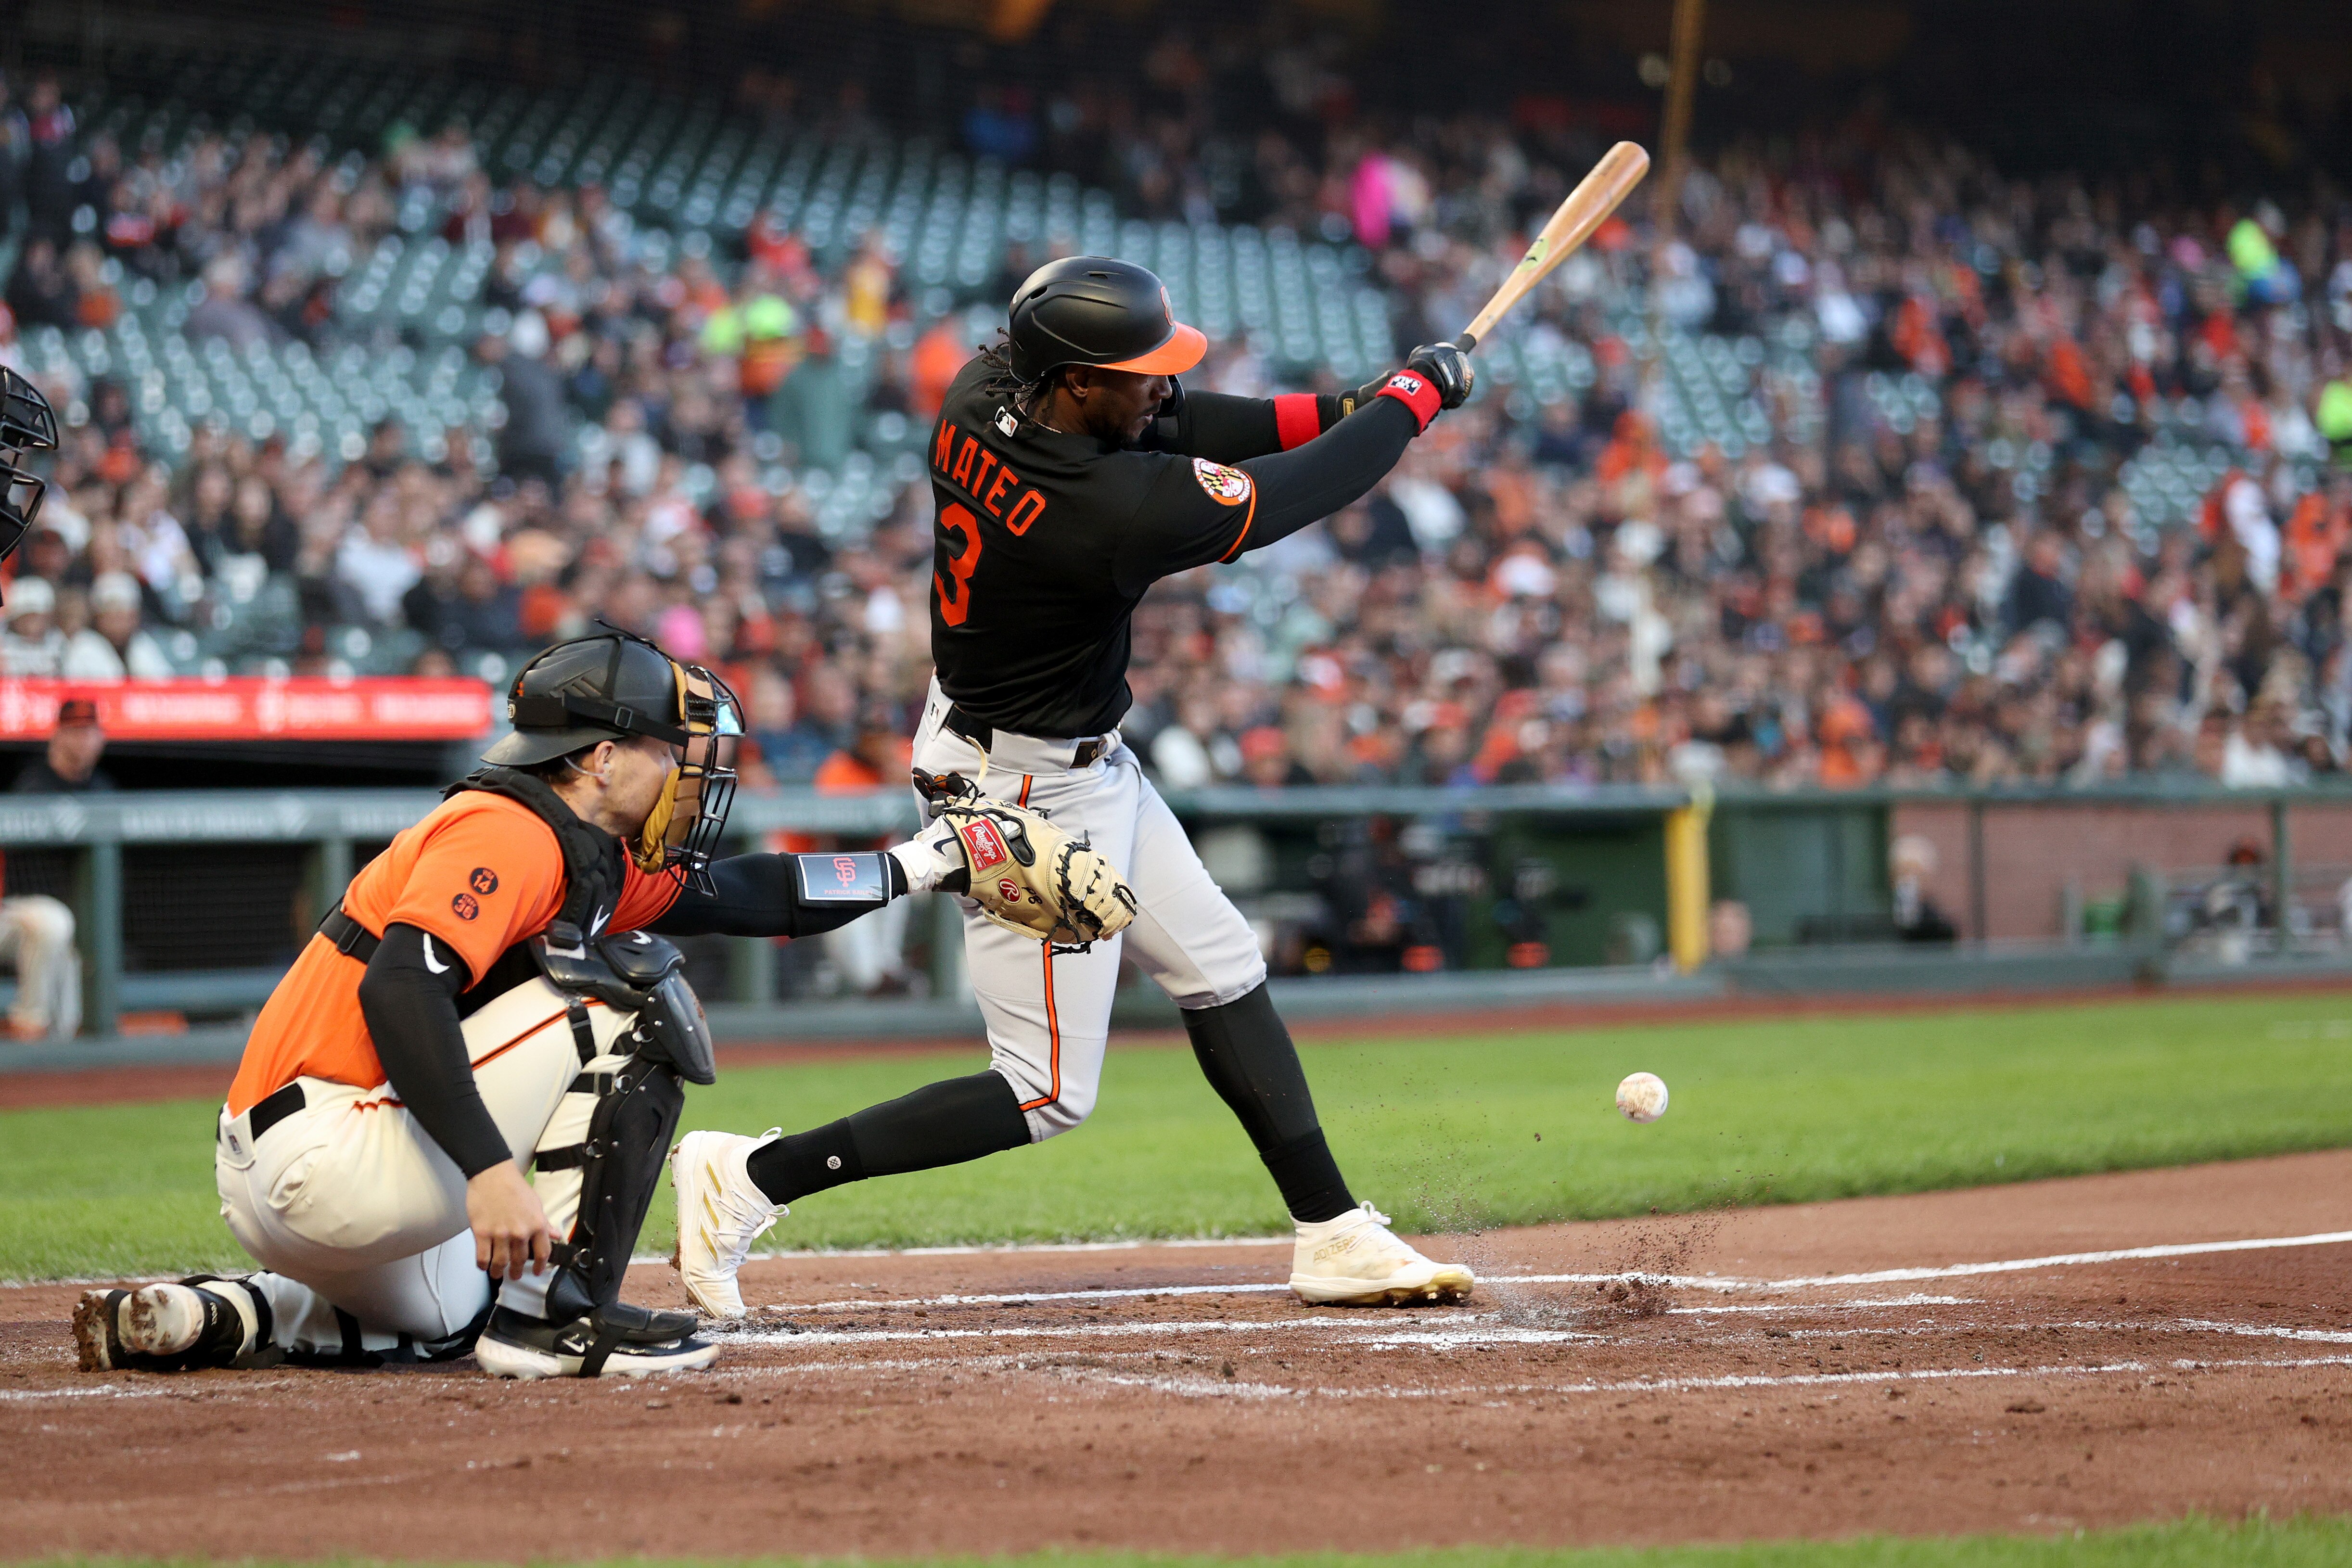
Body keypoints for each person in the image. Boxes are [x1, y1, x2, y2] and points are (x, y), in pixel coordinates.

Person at [671, 255, 1480, 1317]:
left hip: (1058, 751)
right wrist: (1412, 403)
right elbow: (1298, 493)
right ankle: (746, 1179)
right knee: (1043, 1089)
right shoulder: (1105, 512)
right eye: (1133, 371)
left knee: (1222, 967)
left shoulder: (982, 392)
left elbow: (1189, 419)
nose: (1155, 386)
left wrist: (1353, 402)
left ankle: (1331, 1231)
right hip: (1016, 796)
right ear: (1074, 384)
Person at [73, 628, 1120, 1380]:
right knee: (638, 988)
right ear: (600, 755)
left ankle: (225, 1314)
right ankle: (558, 1322)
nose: (686, 768)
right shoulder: (508, 830)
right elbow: (401, 984)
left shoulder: (583, 846)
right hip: (329, 1148)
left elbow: (755, 895)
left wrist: (928, 860)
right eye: (668, 748)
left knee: (446, 1317)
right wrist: (490, 1173)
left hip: (310, 1181)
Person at [12, 694, 113, 794]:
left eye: (88, 732)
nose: (83, 739)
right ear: (58, 736)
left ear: (101, 738)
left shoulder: (103, 789)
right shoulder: (33, 788)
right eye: (74, 731)